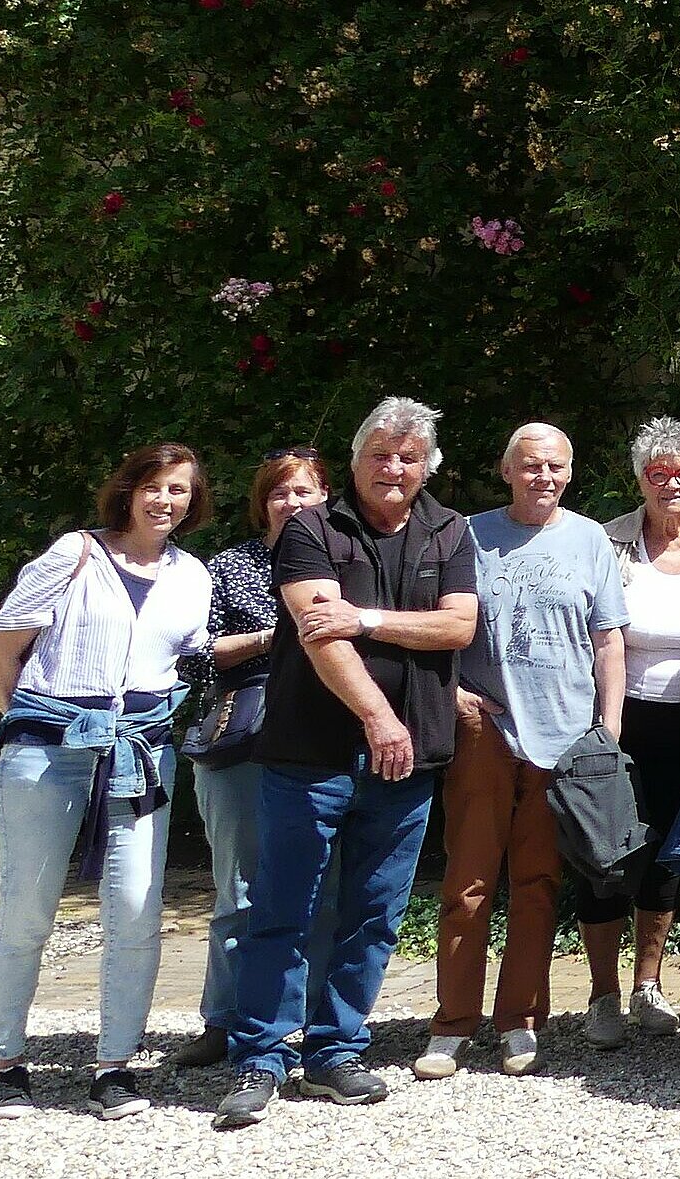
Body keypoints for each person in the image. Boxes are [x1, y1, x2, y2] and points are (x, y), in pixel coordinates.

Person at [219, 397, 480, 1129]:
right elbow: (314, 630)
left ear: (426, 463)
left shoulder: (449, 529)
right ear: (357, 458)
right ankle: (259, 1057)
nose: (393, 467)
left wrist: (365, 617)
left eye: (408, 455)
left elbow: (458, 624)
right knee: (283, 908)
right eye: (380, 454)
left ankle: (335, 1050)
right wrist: (377, 715)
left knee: (374, 913)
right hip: (312, 754)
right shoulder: (310, 526)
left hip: (407, 761)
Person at [0, 444, 214, 1122]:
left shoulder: (191, 575)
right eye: (156, 486)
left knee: (136, 909)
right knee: (27, 912)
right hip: (46, 754)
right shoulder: (72, 553)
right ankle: (8, 1065)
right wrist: (32, 724)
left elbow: (190, 655)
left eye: (181, 490)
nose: (167, 500)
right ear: (129, 488)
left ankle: (113, 1067)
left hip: (140, 752)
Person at [423, 423, 628, 1080]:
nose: (544, 476)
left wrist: (609, 731)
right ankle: (453, 1023)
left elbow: (608, 643)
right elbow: (435, 625)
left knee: (539, 884)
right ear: (506, 469)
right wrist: (451, 693)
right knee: (467, 883)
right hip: (485, 730)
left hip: (563, 735)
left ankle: (520, 1019)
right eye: (532, 465)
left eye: (557, 466)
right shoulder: (465, 532)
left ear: (570, 473)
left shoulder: (590, 537)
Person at [172, 448, 333, 1072]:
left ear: (325, 497)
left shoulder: (345, 562)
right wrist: (280, 632)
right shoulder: (231, 567)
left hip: (322, 736)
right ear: (263, 502)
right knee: (239, 887)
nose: (293, 504)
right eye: (280, 493)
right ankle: (227, 1019)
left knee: (324, 883)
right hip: (241, 738)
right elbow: (193, 657)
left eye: (305, 492)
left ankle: (314, 1023)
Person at [584, 417, 680, 1049]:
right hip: (621, 719)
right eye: (658, 472)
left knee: (669, 858)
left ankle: (648, 983)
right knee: (607, 857)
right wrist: (603, 727)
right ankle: (601, 994)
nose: (672, 484)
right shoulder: (608, 542)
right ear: (640, 477)